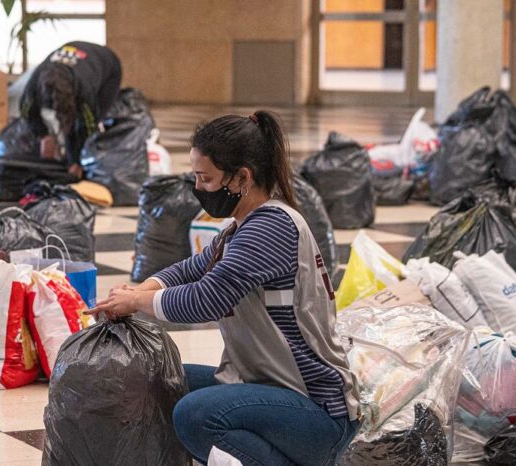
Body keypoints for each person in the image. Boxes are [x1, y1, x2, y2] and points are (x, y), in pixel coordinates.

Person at [86, 111, 361, 465]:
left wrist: (138, 302)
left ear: (241, 178)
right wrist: (142, 288)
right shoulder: (241, 228)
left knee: (195, 415)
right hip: (268, 388)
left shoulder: (270, 228)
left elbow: (205, 299)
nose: (198, 189)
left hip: (317, 411)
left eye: (206, 178)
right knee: (161, 382)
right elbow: (192, 268)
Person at [20, 41, 122, 179]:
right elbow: (27, 111)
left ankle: (88, 162)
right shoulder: (36, 81)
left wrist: (76, 160)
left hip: (108, 66)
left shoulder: (85, 90)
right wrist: (44, 135)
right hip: (76, 56)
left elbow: (86, 127)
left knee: (84, 123)